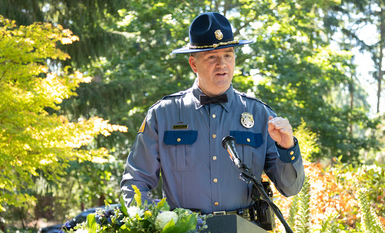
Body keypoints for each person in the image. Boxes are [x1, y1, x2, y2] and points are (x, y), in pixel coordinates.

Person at [121, 12, 305, 216]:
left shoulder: (260, 115)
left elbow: (291, 188)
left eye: (228, 54)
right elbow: (136, 182)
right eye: (212, 57)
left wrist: (287, 147)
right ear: (193, 64)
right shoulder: (163, 115)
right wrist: (152, 228)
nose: (222, 64)